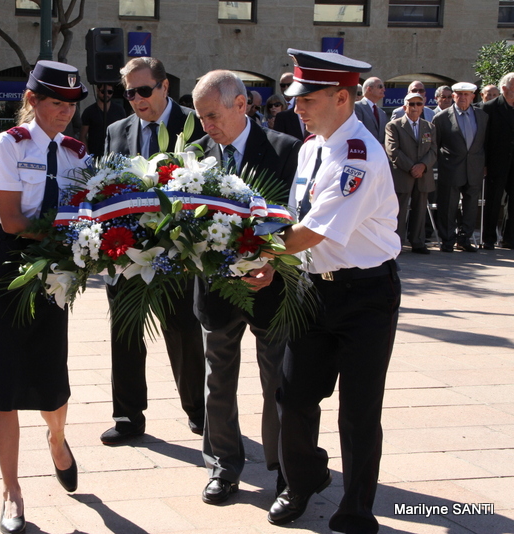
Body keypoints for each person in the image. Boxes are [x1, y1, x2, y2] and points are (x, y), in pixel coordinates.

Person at [266, 49, 401, 534]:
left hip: (365, 294)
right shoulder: (311, 148)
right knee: (293, 397)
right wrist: (272, 263)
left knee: (359, 409)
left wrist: (252, 254)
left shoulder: (359, 156)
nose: (297, 107)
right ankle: (303, 480)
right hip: (312, 290)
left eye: (308, 99)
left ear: (341, 98)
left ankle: (357, 509)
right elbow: (294, 219)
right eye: (296, 98)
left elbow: (311, 231)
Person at [0, 60, 88, 534]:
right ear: (32, 100)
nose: (65, 112)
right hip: (6, 262)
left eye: (71, 104)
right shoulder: (9, 144)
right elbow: (14, 220)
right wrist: (73, 235)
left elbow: (87, 210)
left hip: (54, 267)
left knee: (50, 374)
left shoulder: (77, 154)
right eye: (56, 102)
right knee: (2, 382)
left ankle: (57, 439)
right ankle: (11, 491)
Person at [190, 70, 301, 505]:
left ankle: (285, 468)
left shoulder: (285, 150)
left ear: (241, 105)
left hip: (271, 289)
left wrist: (272, 261)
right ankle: (223, 466)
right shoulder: (194, 157)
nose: (206, 126)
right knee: (217, 380)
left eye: (212, 116)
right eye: (200, 117)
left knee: (278, 381)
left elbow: (296, 218)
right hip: (216, 290)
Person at [102, 56, 206, 445]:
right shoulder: (116, 130)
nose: (136, 100)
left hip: (178, 251)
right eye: (129, 93)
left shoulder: (195, 125)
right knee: (125, 330)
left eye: (143, 91)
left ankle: (198, 411)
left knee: (183, 332)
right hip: (127, 250)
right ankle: (127, 416)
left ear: (164, 86)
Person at [432, 82, 487, 253]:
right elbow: (435, 145)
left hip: (474, 168)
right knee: (448, 205)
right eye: (459, 94)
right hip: (451, 169)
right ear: (454, 96)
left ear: (473, 97)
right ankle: (447, 240)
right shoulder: (441, 118)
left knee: (471, 205)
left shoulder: (482, 116)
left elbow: (486, 142)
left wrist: (484, 165)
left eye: (466, 94)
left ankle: (465, 239)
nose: (463, 97)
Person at [385, 92, 438, 254]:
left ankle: (417, 242)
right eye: (412, 104)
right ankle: (397, 243)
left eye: (418, 104)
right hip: (403, 174)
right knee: (399, 211)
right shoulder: (393, 126)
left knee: (420, 210)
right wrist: (411, 167)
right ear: (404, 107)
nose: (415, 107)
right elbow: (392, 150)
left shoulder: (429, 127)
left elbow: (433, 150)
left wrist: (422, 166)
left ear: (423, 107)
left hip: (423, 175)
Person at [481, 73, 514, 249]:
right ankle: (489, 238)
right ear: (504, 88)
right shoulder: (489, 108)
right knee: (493, 201)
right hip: (495, 162)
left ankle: (509, 238)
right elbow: (483, 139)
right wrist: (484, 163)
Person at [79, 83, 127, 160]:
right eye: (103, 91)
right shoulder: (89, 111)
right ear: (97, 90)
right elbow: (83, 135)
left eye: (110, 92)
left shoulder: (119, 110)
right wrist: (87, 156)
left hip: (114, 155)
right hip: (94, 155)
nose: (106, 94)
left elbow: (124, 132)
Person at [354, 76, 388, 144]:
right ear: (369, 89)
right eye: (380, 86)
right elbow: (357, 132)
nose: (383, 89)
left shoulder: (382, 113)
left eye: (384, 87)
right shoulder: (357, 107)